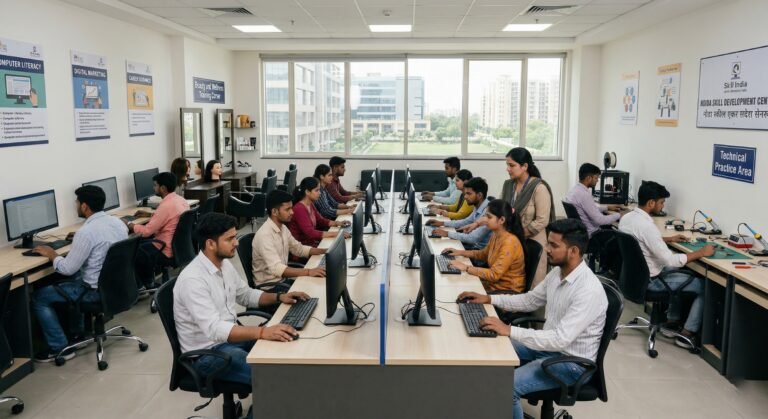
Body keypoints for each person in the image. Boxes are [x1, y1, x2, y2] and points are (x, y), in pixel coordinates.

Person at [457, 219, 607, 419]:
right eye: (548, 243)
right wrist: (489, 298)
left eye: (553, 245)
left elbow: (561, 339)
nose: (546, 249)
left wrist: (510, 330)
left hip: (570, 363)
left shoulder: (588, 290)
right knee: (488, 347)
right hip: (547, 347)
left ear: (573, 251)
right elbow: (530, 300)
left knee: (506, 388)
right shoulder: (557, 273)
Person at [174, 212, 309, 394]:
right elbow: (214, 329)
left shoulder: (223, 264)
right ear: (210, 244)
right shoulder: (193, 280)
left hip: (229, 341)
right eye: (229, 239)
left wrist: (279, 297)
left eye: (235, 237)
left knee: (284, 354)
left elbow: (245, 295)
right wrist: (262, 332)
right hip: (207, 354)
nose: (236, 243)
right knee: (272, 379)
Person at [31, 185, 128, 362]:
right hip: (118, 287)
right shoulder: (117, 223)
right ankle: (78, 335)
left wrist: (53, 254)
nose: (75, 205)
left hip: (94, 293)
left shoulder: (86, 232)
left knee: (39, 297)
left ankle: (59, 348)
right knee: (76, 278)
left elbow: (67, 268)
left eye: (76, 202)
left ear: (84, 206)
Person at [619, 181, 712, 349]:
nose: (663, 206)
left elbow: (640, 241)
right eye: (662, 202)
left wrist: (669, 239)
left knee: (680, 269)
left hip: (633, 279)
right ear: (651, 203)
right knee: (704, 286)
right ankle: (687, 333)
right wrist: (701, 253)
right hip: (651, 282)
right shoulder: (648, 227)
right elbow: (670, 260)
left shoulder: (626, 219)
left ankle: (672, 320)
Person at [442, 199, 526, 293]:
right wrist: (459, 252)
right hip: (493, 284)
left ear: (501, 220)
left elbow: (494, 275)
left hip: (505, 290)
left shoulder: (509, 242)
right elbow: (484, 254)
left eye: (489, 217)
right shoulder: (497, 234)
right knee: (456, 284)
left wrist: (466, 267)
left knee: (458, 288)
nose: (484, 219)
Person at [500, 147, 555, 287]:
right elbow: (501, 210)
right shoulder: (508, 185)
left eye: (511, 165)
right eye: (507, 165)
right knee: (510, 283)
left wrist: (519, 234)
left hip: (533, 242)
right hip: (512, 241)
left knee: (532, 286)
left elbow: (542, 220)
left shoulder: (539, 188)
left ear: (524, 166)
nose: (508, 169)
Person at [126, 172, 190, 289]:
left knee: (134, 250)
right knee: (141, 244)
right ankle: (148, 281)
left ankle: (145, 285)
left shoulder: (165, 206)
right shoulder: (180, 200)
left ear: (163, 188)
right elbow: (169, 217)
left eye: (155, 185)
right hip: (178, 248)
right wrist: (152, 215)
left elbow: (146, 232)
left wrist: (130, 224)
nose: (153, 188)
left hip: (165, 248)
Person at [252, 190, 327, 287]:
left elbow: (298, 249)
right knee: (313, 288)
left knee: (317, 284)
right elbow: (277, 269)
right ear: (274, 211)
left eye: (291, 208)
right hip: (270, 287)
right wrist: (308, 272)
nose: (292, 212)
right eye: (287, 209)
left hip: (282, 281)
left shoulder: (282, 227)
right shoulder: (264, 235)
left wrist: (325, 251)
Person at [426, 177, 492, 250]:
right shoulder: (478, 206)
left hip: (478, 252)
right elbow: (466, 221)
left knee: (440, 247)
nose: (465, 196)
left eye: (469, 194)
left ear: (479, 195)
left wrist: (447, 233)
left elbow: (473, 238)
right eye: (465, 193)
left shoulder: (489, 213)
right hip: (472, 246)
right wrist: (442, 223)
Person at [288, 177, 350, 247]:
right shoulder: (299, 209)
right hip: (302, 250)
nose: (319, 193)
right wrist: (336, 234)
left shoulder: (310, 204)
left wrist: (338, 223)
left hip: (311, 245)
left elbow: (320, 220)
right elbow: (310, 232)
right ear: (307, 192)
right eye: (316, 190)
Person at [565, 163, 624, 236]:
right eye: (596, 178)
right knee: (619, 233)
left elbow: (589, 209)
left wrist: (607, 207)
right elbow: (600, 220)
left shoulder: (574, 190)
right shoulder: (584, 195)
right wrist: (619, 215)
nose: (597, 181)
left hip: (581, 232)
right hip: (592, 235)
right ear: (588, 178)